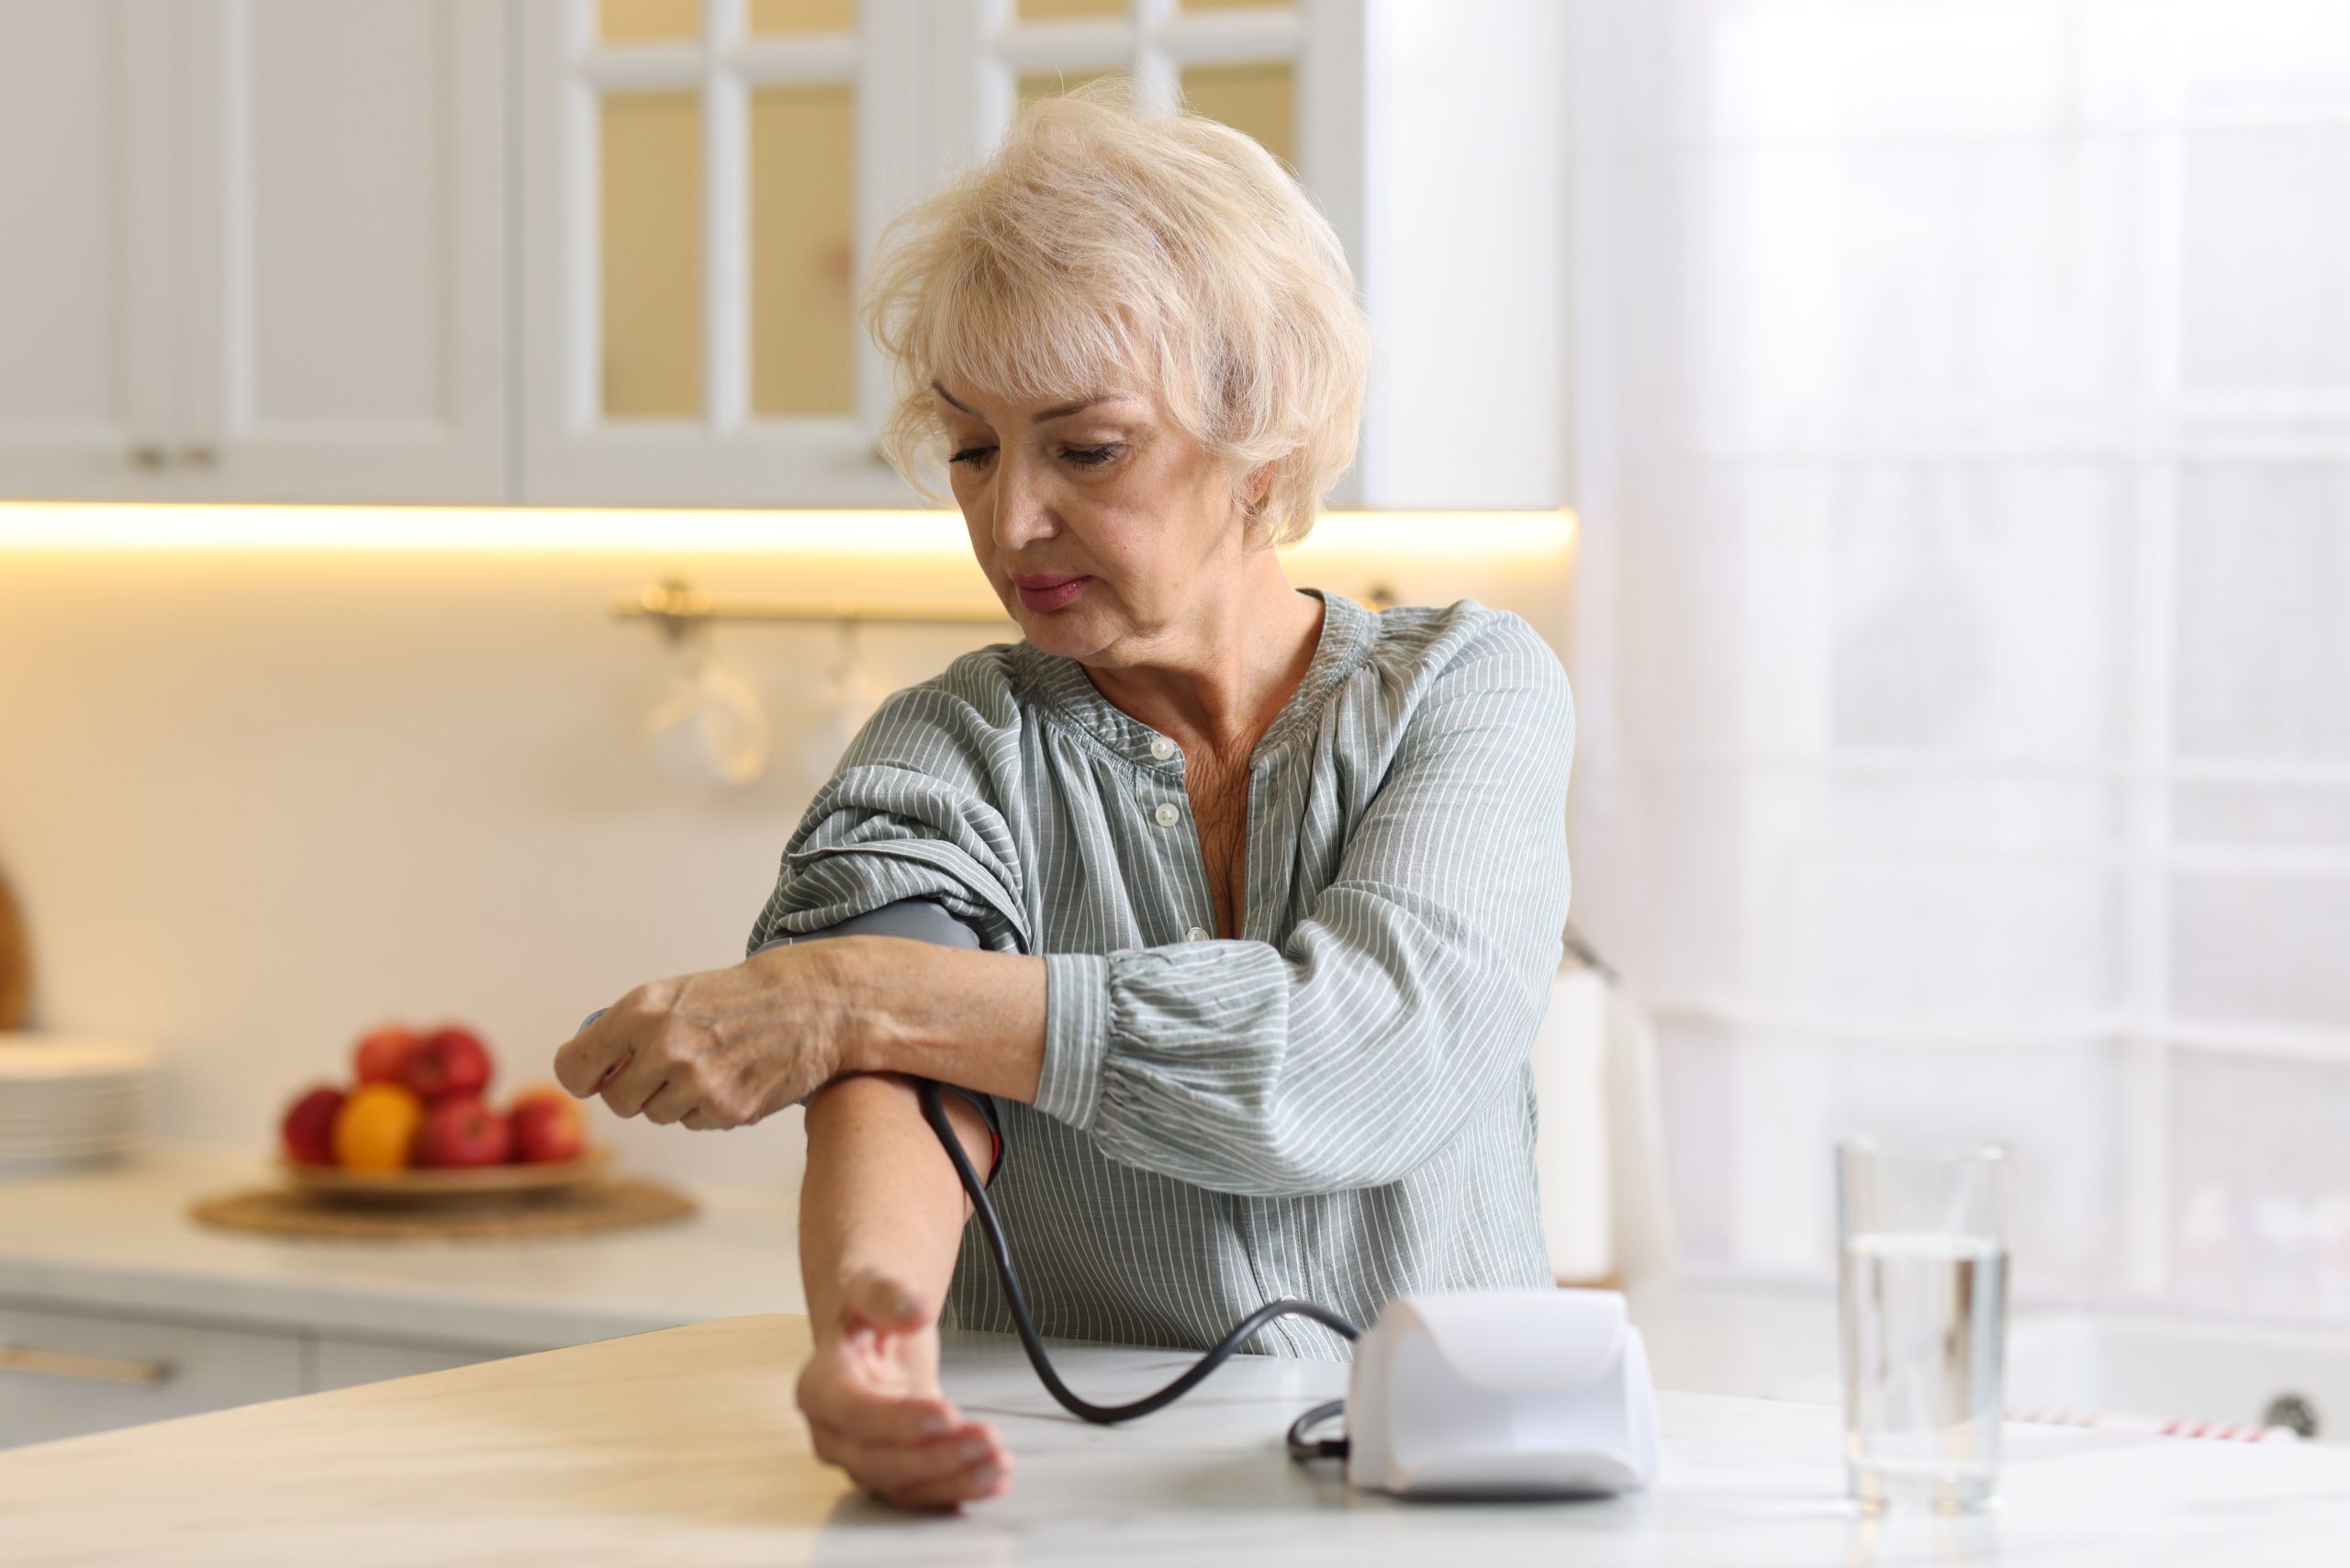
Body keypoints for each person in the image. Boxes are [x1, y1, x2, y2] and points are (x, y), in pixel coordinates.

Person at [553, 83, 1574, 1511]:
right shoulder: (941, 747)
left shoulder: (1466, 690)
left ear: (1260, 447)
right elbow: (899, 1086)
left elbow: (1366, 1054)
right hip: (1072, 1496)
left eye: (1084, 448)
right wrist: (871, 1332)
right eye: (972, 447)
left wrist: (850, 986)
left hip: (1454, 1487)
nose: (1008, 516)